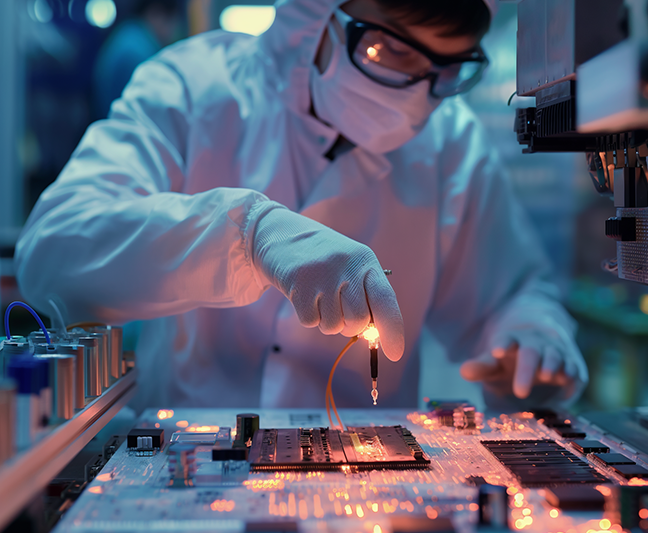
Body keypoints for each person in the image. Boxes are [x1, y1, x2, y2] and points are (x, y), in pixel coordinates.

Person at [15, 0, 588, 411]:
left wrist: (529, 338)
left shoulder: (451, 143)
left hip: (366, 482)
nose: (419, 94)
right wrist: (247, 237)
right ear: (314, 17)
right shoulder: (192, 89)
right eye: (388, 50)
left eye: (449, 69)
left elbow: (509, 296)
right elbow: (52, 256)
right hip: (187, 451)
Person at [92, 0, 181, 119]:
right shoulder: (139, 53)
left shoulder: (128, 34)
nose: (172, 32)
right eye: (171, 22)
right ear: (156, 13)